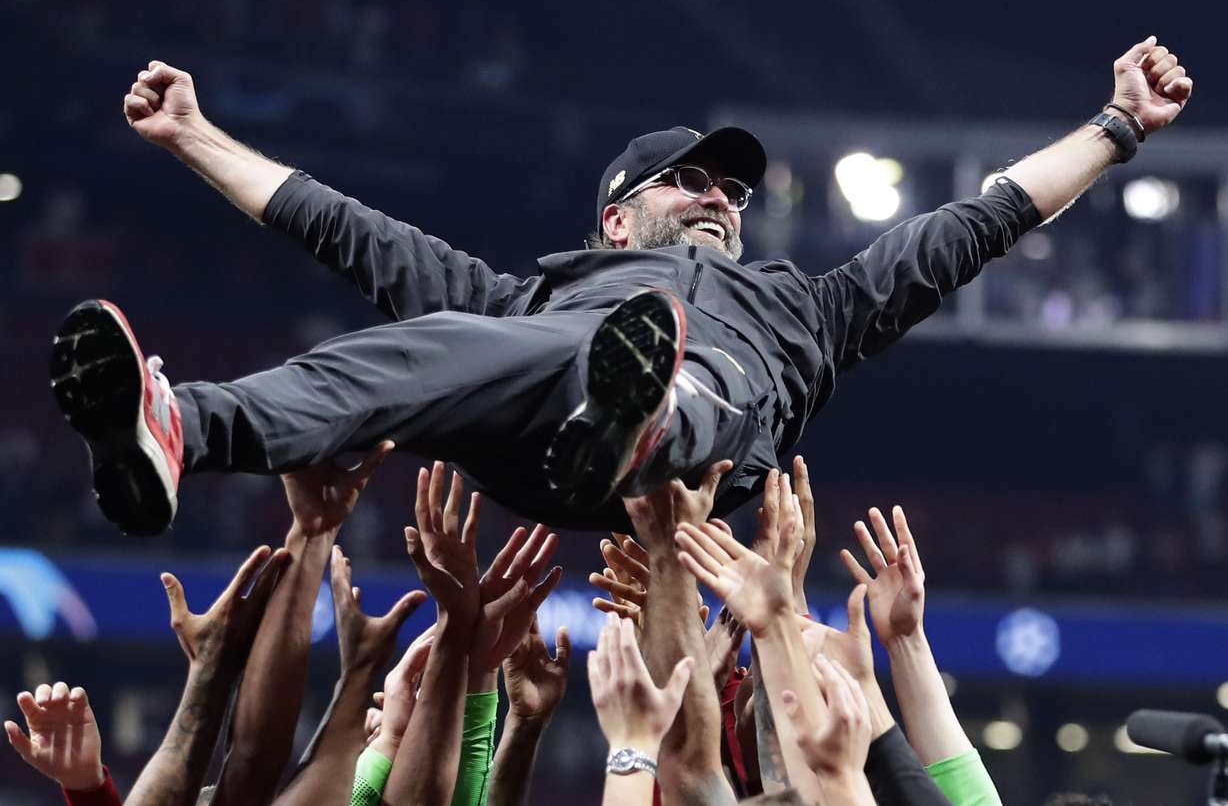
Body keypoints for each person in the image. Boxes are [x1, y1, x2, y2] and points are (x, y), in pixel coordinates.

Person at [49, 38, 1192, 536]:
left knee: (699, 374)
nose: (719, 197)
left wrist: (1114, 128)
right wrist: (195, 137)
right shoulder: (537, 292)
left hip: (695, 437)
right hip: (554, 405)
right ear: (615, 214)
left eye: (734, 189)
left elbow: (975, 219)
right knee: (440, 332)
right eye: (687, 179)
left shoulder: (804, 305)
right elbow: (342, 226)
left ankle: (638, 420)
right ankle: (178, 429)